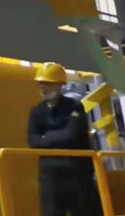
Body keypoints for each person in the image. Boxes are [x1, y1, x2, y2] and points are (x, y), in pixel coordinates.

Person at [27, 62, 102, 216]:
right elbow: (33, 141)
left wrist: (46, 137)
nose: (43, 88)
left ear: (60, 85)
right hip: (51, 176)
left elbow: (72, 134)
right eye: (41, 83)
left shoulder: (74, 107)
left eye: (48, 83)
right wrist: (57, 137)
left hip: (77, 173)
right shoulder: (37, 111)